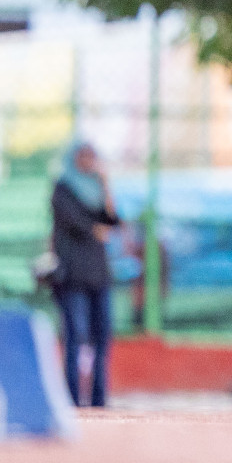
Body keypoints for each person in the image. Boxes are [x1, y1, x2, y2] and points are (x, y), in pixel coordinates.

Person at [50, 140, 120, 408]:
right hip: (73, 277)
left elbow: (112, 221)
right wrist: (96, 230)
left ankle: (99, 399)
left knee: (102, 337)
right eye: (84, 155)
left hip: (99, 276)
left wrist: (105, 185)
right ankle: (72, 399)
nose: (89, 161)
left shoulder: (97, 189)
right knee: (75, 337)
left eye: (93, 156)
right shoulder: (63, 188)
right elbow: (77, 224)